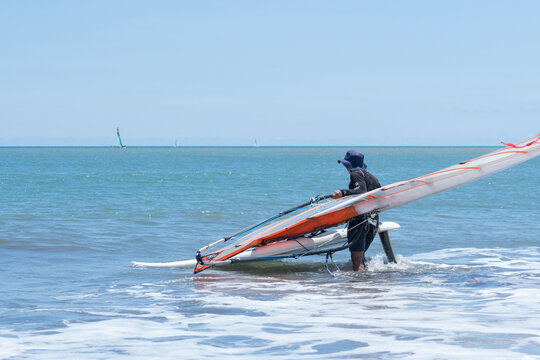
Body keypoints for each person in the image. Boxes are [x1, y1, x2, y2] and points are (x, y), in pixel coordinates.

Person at [332, 150, 381, 271]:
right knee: (361, 256)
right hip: (373, 220)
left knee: (356, 261)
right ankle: (364, 285)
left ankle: (357, 286)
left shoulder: (355, 174)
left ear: (348, 165)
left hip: (359, 221)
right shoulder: (371, 177)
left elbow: (361, 192)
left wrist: (342, 193)